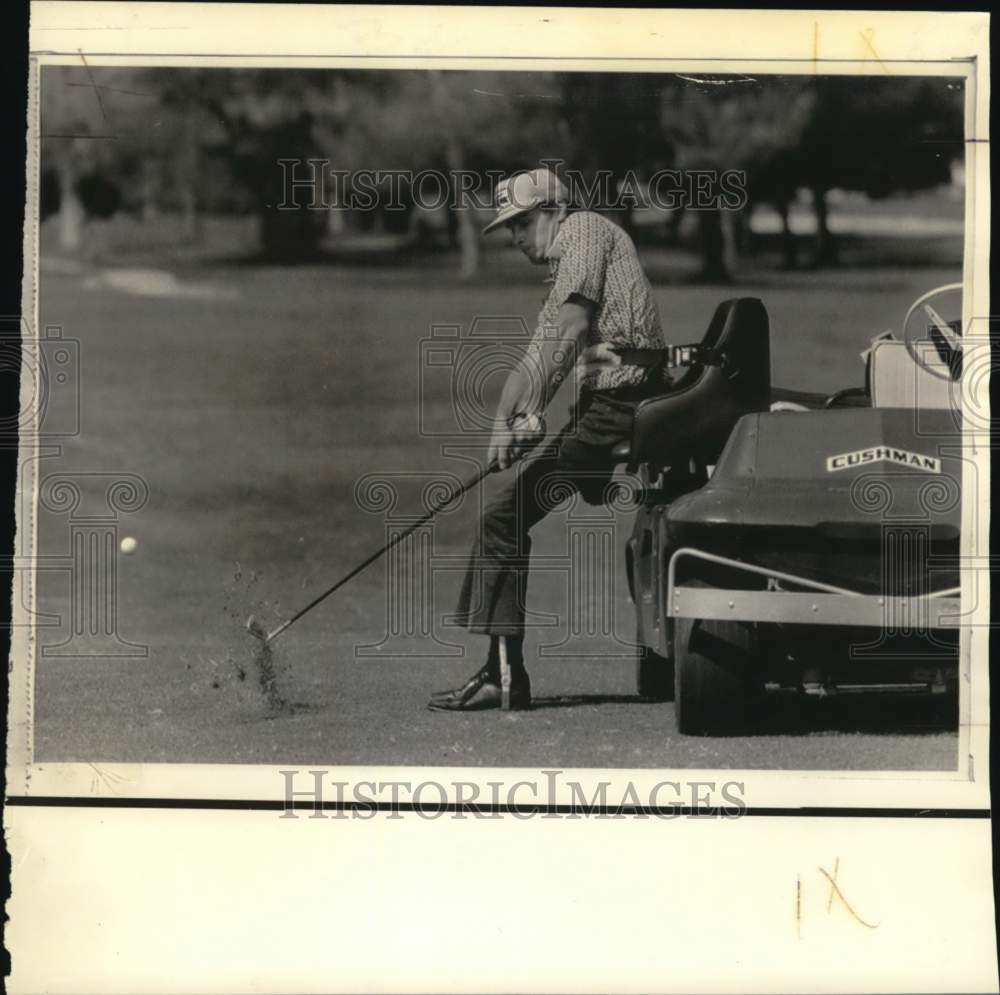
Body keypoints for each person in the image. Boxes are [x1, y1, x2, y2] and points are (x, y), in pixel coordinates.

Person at [429, 167, 670, 711]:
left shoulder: (584, 231)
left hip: (620, 409)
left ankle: (502, 677)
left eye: (520, 224)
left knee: (502, 517)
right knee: (505, 515)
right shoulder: (566, 267)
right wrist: (501, 428)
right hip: (604, 410)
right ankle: (500, 671)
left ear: (553, 212)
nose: (514, 238)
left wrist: (533, 410)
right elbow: (534, 358)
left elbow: (570, 330)